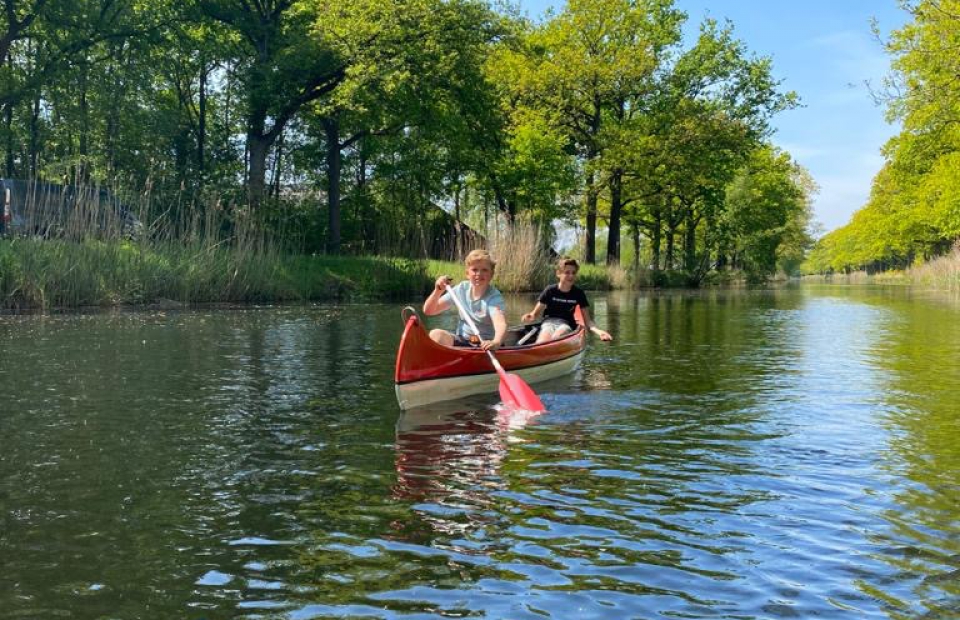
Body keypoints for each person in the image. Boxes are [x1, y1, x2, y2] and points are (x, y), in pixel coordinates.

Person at [423, 249, 507, 351]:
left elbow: (500, 324)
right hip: (463, 341)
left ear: (491, 274)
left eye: (484, 270)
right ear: (467, 273)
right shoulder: (461, 289)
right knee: (435, 334)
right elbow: (429, 311)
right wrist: (438, 290)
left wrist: (496, 342)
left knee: (491, 343)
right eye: (474, 270)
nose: (479, 274)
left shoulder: (494, 297)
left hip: (485, 345)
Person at [521, 256, 613, 344]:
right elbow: (535, 314)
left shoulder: (579, 293)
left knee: (556, 339)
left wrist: (599, 332)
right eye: (567, 272)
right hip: (548, 323)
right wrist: (530, 316)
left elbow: (588, 321)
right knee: (541, 343)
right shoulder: (550, 290)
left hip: (566, 325)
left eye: (573, 273)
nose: (571, 276)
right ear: (558, 274)